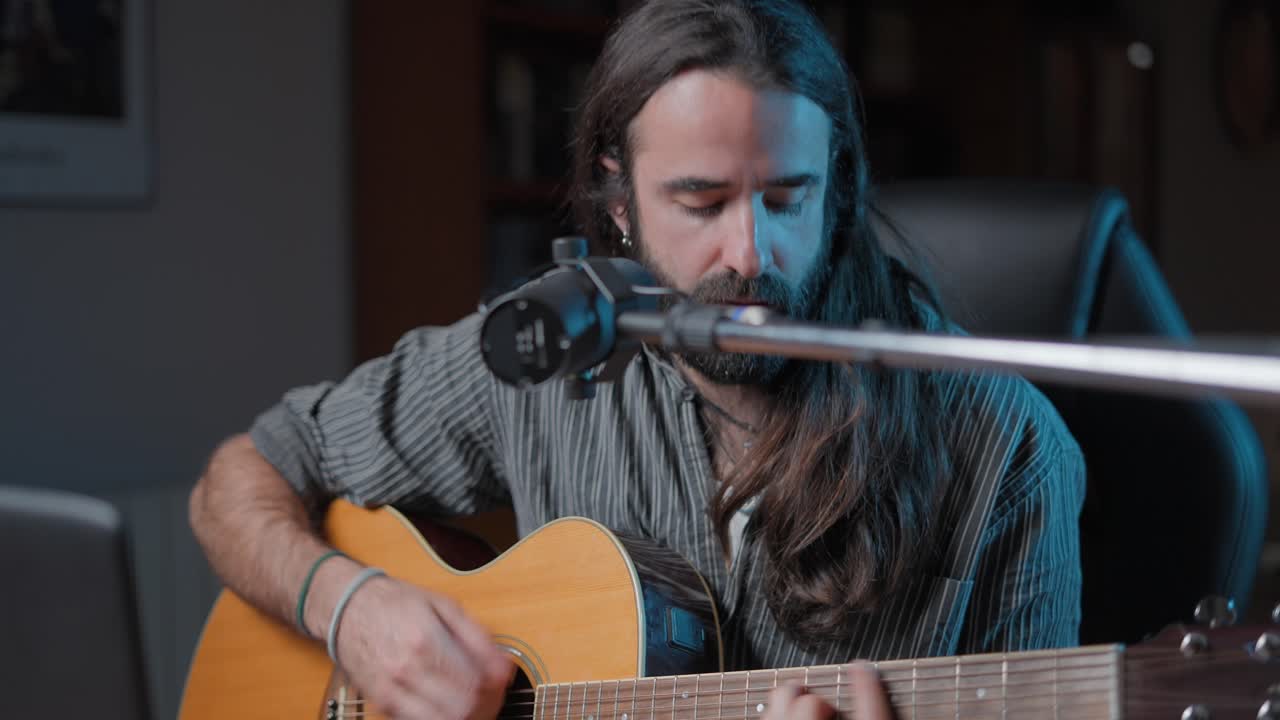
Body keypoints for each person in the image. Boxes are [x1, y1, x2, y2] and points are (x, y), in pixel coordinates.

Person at [189, 1, 1085, 719]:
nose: (751, 254)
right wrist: (348, 610)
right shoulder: (547, 353)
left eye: (786, 198)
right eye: (701, 202)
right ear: (619, 201)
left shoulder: (1005, 447)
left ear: (839, 189)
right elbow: (239, 480)